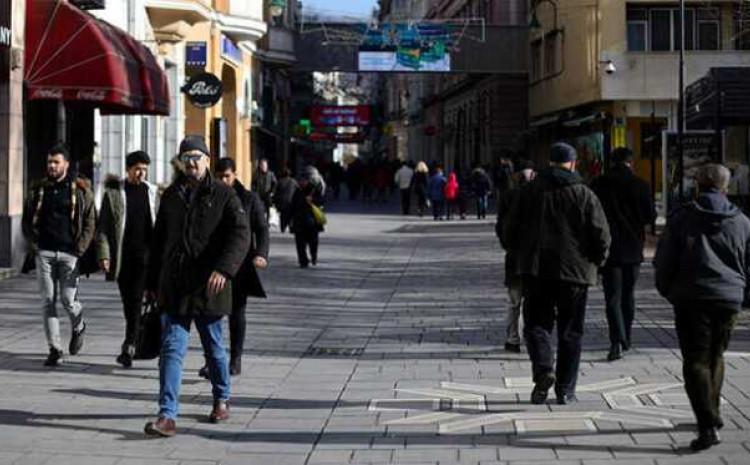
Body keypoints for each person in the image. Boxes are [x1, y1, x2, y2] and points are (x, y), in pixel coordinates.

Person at [144, 136, 249, 437]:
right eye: (186, 157)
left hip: (209, 286)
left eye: (197, 156)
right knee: (171, 349)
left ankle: (221, 398)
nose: (191, 162)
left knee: (213, 348)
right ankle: (167, 415)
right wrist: (152, 283)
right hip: (175, 286)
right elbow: (158, 241)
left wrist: (225, 270)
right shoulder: (171, 195)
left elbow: (240, 235)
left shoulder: (224, 194)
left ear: (207, 159)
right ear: (180, 162)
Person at [503, 142, 611, 405]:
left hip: (536, 270)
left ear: (549, 163)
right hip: (575, 272)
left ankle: (543, 370)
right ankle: (566, 389)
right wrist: (597, 263)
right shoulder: (584, 194)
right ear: (573, 163)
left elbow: (508, 230)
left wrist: (519, 254)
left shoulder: (528, 192)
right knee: (571, 331)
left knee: (536, 325)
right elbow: (602, 235)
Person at [654, 164, 750, 451]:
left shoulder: (682, 218)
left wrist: (668, 289)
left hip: (691, 296)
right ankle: (711, 410)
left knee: (695, 360)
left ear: (697, 184)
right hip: (728, 297)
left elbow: (665, 259)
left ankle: (707, 422)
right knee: (716, 355)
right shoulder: (742, 221)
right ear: (726, 186)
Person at [22, 144, 96, 367]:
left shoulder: (80, 189)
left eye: (56, 162)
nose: (52, 166)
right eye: (49, 162)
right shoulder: (39, 188)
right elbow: (27, 220)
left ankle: (79, 325)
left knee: (67, 300)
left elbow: (90, 220)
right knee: (47, 301)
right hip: (44, 252)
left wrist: (80, 249)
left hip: (69, 254)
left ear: (65, 164)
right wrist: (34, 245)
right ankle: (55, 349)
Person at [197, 158, 269, 376]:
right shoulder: (208, 197)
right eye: (219, 176)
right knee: (211, 313)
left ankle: (235, 357)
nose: (223, 180)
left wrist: (261, 254)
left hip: (239, 264)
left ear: (235, 175)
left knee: (237, 313)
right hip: (211, 263)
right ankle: (212, 360)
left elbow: (262, 229)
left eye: (227, 176)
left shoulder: (248, 198)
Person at [591, 147, 656, 361]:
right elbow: (649, 216)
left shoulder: (599, 184)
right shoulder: (640, 185)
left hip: (607, 247)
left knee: (612, 296)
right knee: (629, 294)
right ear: (631, 162)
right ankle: (626, 336)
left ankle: (616, 341)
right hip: (632, 247)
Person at [96, 151, 159, 368]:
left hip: (147, 257)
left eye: (144, 169)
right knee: (128, 301)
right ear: (128, 169)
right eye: (137, 169)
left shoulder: (152, 193)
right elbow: (103, 228)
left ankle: (130, 344)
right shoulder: (114, 194)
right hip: (124, 258)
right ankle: (133, 338)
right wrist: (104, 256)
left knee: (136, 300)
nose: (141, 173)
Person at [496, 161, 536, 353]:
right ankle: (533, 337)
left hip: (515, 257)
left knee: (514, 301)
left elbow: (501, 227)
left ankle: (513, 339)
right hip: (536, 259)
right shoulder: (542, 197)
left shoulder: (508, 197)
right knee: (534, 301)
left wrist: (508, 245)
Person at [291, 169, 325, 268]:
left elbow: (322, 202)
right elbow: (292, 206)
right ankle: (303, 261)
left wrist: (313, 200)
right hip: (299, 222)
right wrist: (288, 221)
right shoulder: (297, 191)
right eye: (300, 181)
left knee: (313, 243)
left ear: (308, 181)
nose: (301, 182)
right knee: (300, 244)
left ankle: (314, 256)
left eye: (303, 180)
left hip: (312, 223)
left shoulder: (314, 190)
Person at [274, 168, 299, 233]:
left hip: (282, 202)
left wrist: (275, 202)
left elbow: (276, 192)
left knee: (283, 216)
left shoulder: (280, 181)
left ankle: (283, 227)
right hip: (291, 202)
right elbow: (298, 190)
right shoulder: (293, 181)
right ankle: (291, 227)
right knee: (291, 216)